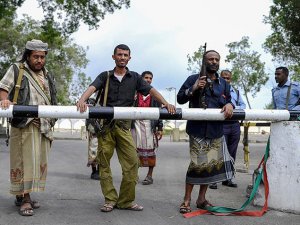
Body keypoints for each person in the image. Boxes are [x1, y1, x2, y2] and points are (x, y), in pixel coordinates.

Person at [76, 44, 175, 212]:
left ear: (130, 58)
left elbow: (150, 90)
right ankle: (110, 200)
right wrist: (82, 99)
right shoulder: (105, 76)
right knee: (104, 165)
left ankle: (126, 201)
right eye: (119, 55)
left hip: (124, 127)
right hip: (106, 127)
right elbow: (92, 87)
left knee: (132, 163)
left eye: (125, 55)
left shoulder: (135, 77)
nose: (122, 57)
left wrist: (166, 103)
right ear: (113, 57)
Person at [0, 39, 57, 216]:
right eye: (36, 57)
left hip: (43, 125)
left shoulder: (48, 75)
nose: (39, 60)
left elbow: (52, 98)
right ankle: (25, 199)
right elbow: (3, 87)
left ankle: (23, 195)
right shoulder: (17, 69)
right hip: (24, 125)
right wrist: (4, 100)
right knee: (24, 162)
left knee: (37, 162)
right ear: (28, 56)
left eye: (42, 57)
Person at [177, 50, 235, 213]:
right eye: (211, 59)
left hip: (216, 131)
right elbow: (180, 98)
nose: (214, 61)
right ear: (204, 61)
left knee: (210, 166)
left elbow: (230, 100)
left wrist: (230, 105)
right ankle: (186, 200)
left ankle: (201, 199)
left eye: (217, 59)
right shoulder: (192, 79)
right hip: (197, 130)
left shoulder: (224, 83)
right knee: (197, 165)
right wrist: (194, 88)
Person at [209, 69, 246, 189]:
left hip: (234, 124)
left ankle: (228, 178)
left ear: (231, 79)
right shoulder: (215, 89)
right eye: (223, 78)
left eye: (228, 78)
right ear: (220, 78)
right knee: (218, 151)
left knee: (232, 152)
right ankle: (213, 179)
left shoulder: (237, 92)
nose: (226, 80)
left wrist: (232, 107)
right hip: (221, 124)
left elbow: (243, 106)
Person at [131, 71, 163, 185]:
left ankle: (149, 176)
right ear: (141, 79)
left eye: (150, 78)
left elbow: (160, 113)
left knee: (151, 151)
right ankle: (134, 175)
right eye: (146, 78)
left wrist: (160, 128)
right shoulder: (134, 93)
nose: (148, 80)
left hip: (150, 125)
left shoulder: (155, 95)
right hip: (135, 125)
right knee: (133, 151)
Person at [85, 97, 100, 180]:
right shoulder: (91, 98)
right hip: (93, 128)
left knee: (102, 150)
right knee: (93, 150)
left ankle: (99, 171)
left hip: (102, 129)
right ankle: (94, 171)